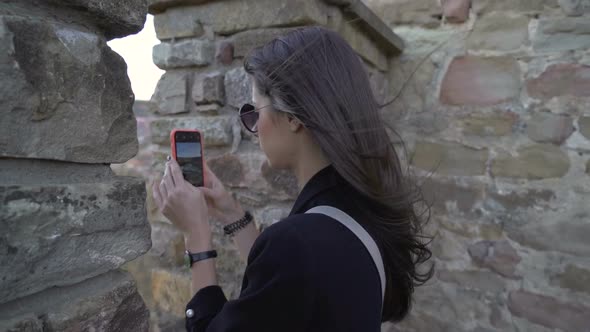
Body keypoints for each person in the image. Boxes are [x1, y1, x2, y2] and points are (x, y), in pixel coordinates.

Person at [152, 26, 433, 332]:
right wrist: (230, 213)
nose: (254, 127)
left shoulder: (298, 242)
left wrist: (197, 235)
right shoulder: (360, 212)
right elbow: (286, 285)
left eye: (254, 110)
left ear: (293, 116)